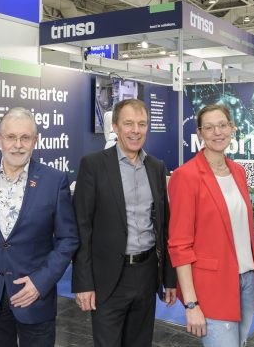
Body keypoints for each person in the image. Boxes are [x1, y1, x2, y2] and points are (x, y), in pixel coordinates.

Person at [0, 108, 79, 347]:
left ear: (35, 141)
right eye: (11, 137)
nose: (18, 145)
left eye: (25, 138)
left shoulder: (54, 181)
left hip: (34, 295)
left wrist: (41, 282)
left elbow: (68, 239)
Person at [72, 98, 176, 347]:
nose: (135, 130)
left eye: (142, 124)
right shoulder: (94, 165)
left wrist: (169, 279)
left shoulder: (156, 167)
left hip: (147, 273)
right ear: (116, 127)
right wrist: (83, 283)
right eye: (128, 123)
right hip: (107, 277)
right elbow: (82, 228)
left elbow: (164, 227)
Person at [168, 104, 254, 346]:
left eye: (223, 125)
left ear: (232, 128)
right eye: (209, 128)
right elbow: (179, 244)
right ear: (200, 133)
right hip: (211, 287)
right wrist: (191, 303)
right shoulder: (186, 176)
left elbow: (246, 234)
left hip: (246, 281)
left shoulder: (238, 172)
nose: (217, 132)